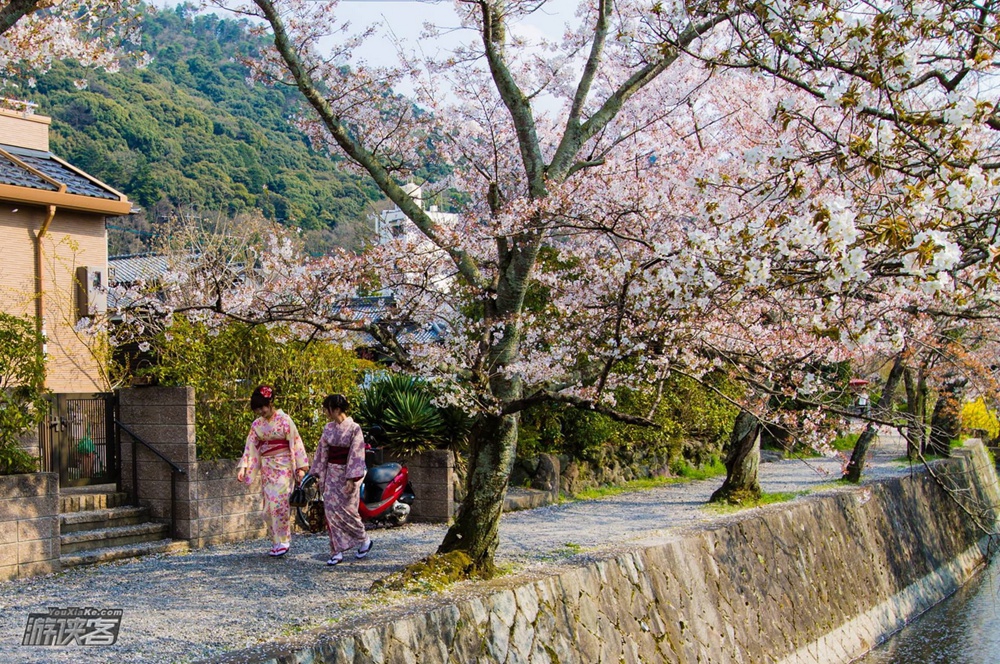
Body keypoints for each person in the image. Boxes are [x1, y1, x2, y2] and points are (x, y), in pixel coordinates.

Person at [236, 385, 309, 557]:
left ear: (270, 402)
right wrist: (243, 467)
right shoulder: (257, 425)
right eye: (257, 409)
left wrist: (300, 467)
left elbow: (296, 442)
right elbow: (251, 446)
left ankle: (284, 540)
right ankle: (275, 541)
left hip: (283, 467)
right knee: (268, 508)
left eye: (262, 407)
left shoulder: (285, 420)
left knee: (279, 504)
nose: (260, 411)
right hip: (267, 468)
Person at [311, 394, 372, 566]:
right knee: (330, 512)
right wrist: (318, 474)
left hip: (346, 475)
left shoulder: (354, 428)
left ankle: (364, 539)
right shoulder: (328, 428)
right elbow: (322, 452)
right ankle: (336, 551)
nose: (326, 412)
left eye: (327, 408)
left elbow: (356, 454)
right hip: (330, 473)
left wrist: (352, 478)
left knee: (348, 511)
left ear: (336, 409)